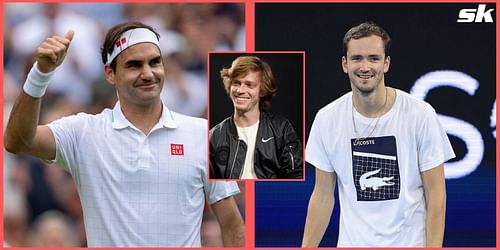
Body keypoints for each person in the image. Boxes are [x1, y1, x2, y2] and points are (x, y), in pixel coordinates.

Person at [4, 21, 245, 247]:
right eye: (134, 65)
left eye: (154, 62)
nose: (148, 73)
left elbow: (232, 223)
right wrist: (40, 74)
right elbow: (17, 142)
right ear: (110, 73)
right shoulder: (83, 132)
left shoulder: (203, 134)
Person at [302, 22, 455, 247]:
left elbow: (436, 196)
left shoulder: (420, 114)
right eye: (357, 58)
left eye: (373, 58)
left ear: (386, 63)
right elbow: (323, 195)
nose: (365, 67)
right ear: (345, 64)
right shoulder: (327, 119)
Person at [210, 55, 303, 179]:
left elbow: (296, 176)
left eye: (249, 85)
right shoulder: (214, 135)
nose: (240, 90)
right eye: (236, 83)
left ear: (263, 90)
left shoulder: (281, 129)